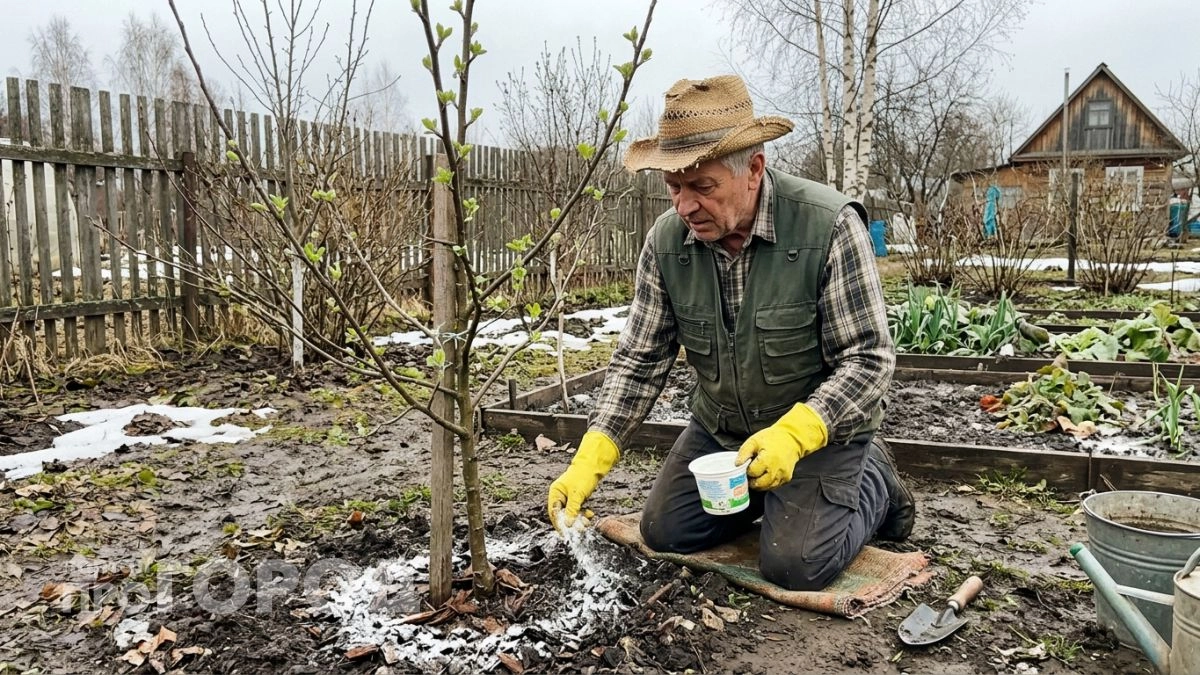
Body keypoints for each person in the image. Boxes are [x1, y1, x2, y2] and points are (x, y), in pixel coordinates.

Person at [546, 74, 914, 591]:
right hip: (723, 431)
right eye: (674, 188)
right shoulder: (667, 243)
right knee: (664, 532)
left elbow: (869, 358)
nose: (684, 206)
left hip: (815, 436)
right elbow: (640, 359)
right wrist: (592, 454)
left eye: (702, 187)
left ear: (753, 170)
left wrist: (794, 435)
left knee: (795, 566)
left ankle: (875, 478)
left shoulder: (827, 226)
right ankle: (774, 498)